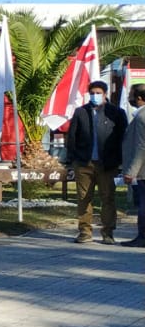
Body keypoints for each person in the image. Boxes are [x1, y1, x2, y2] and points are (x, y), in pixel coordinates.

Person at [63, 79, 128, 244]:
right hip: (84, 163)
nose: (95, 96)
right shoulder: (80, 112)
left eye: (98, 93)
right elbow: (72, 138)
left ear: (105, 94)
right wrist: (72, 160)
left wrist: (121, 161)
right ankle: (84, 231)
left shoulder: (117, 113)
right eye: (92, 93)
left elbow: (123, 138)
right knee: (84, 198)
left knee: (108, 198)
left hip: (108, 164)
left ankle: (108, 233)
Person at [120, 83, 145, 248]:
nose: (129, 98)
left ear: (139, 98)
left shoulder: (142, 117)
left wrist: (131, 172)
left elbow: (141, 146)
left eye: (131, 94)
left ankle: (142, 237)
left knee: (143, 205)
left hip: (143, 170)